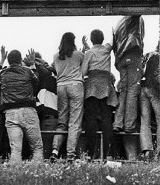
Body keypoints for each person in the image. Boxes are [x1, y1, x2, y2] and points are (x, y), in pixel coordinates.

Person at [0, 49, 44, 163]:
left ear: (8, 60)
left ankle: (15, 175)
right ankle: (38, 173)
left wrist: (1, 60)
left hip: (10, 112)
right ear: (21, 60)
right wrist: (32, 64)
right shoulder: (27, 71)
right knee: (37, 147)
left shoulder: (3, 73)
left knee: (15, 149)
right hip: (29, 111)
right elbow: (37, 81)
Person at [111, 15, 145, 160]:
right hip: (133, 54)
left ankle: (118, 122)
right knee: (133, 91)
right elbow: (137, 13)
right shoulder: (133, 17)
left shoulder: (119, 23)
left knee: (124, 91)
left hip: (121, 58)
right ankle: (129, 124)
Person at [81, 29, 117, 160]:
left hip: (92, 87)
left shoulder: (89, 53)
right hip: (106, 86)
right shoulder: (107, 48)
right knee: (107, 120)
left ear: (91, 40)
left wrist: (85, 49)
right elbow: (112, 42)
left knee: (91, 120)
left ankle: (89, 154)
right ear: (102, 39)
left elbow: (83, 71)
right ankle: (110, 154)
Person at [51, 32, 85, 161]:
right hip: (75, 85)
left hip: (60, 86)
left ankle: (55, 150)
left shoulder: (55, 56)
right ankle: (70, 153)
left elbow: (53, 68)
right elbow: (84, 65)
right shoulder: (78, 54)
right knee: (74, 121)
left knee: (62, 121)